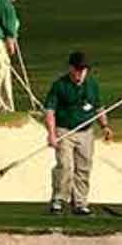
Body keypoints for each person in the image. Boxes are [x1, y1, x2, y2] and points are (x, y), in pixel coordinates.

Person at [44, 50, 112, 215]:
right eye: (77, 69)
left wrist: (105, 126)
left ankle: (80, 203)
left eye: (84, 70)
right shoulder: (59, 85)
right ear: (70, 68)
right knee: (65, 166)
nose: (80, 73)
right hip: (64, 131)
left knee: (83, 167)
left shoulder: (92, 85)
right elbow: (50, 111)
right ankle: (59, 199)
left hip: (86, 132)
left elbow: (98, 108)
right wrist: (52, 134)